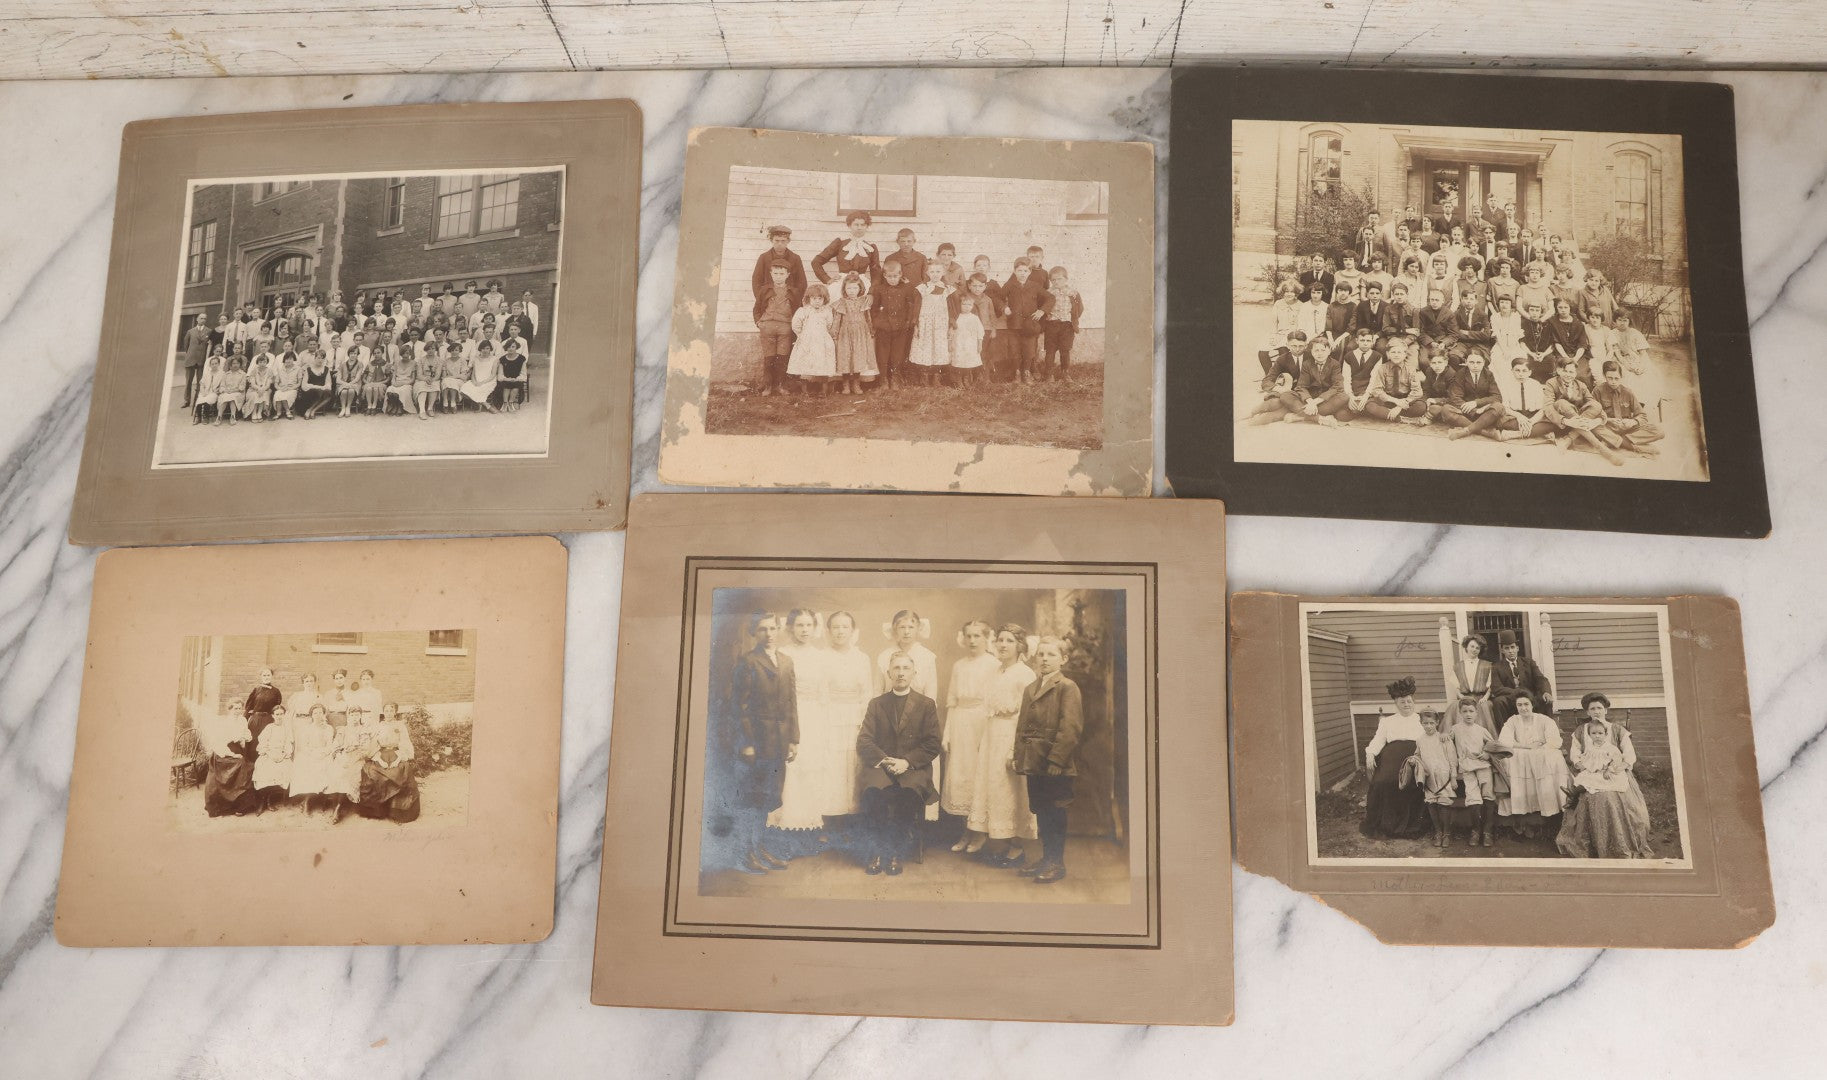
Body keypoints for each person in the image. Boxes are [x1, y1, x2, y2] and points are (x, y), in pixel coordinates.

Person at [856, 651, 942, 876]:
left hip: (912, 768)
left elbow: (933, 744)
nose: (901, 673)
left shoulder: (926, 704)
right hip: (882, 765)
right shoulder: (877, 704)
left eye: (906, 668)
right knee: (873, 790)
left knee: (908, 792)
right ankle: (877, 850)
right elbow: (864, 740)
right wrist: (884, 760)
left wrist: (906, 762)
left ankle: (895, 851)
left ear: (914, 673)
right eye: (896, 668)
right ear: (889, 673)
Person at [730, 613, 799, 874]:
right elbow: (739, 707)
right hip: (757, 744)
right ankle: (747, 852)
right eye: (762, 629)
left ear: (779, 630)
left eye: (772, 628)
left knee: (769, 798)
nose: (769, 634)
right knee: (753, 798)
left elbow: (792, 703)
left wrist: (793, 740)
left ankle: (759, 848)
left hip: (779, 743)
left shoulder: (786, 661)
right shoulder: (747, 662)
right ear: (753, 633)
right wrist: (747, 743)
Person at [1010, 636, 1082, 884]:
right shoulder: (1031, 687)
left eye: (1051, 655)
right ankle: (1045, 858)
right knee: (1040, 809)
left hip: (1054, 764)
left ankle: (1056, 862)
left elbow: (1070, 728)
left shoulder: (1067, 687)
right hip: (1034, 761)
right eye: (1041, 654)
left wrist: (1057, 761)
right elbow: (1022, 727)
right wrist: (1019, 756)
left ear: (1063, 659)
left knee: (1055, 810)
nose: (1044, 659)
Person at [968, 624, 1040, 868]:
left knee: (1013, 788)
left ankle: (1018, 846)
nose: (1002, 645)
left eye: (1009, 641)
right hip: (992, 734)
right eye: (1000, 640)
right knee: (995, 788)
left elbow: (1028, 715)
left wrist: (1016, 749)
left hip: (1012, 735)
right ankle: (1002, 842)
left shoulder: (1025, 674)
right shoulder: (996, 671)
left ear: (1020, 645)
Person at [1556, 693, 1654, 858]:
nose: (1596, 711)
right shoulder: (1581, 731)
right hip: (1590, 771)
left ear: (1606, 710)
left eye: (1599, 708)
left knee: (1611, 798)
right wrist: (1581, 764)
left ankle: (1621, 841)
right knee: (1591, 797)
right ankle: (1592, 843)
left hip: (1615, 772)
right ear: (1587, 712)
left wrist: (1616, 768)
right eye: (1592, 708)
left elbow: (1629, 756)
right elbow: (1575, 754)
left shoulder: (1617, 730)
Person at [770, 610, 833, 848]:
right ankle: (786, 827)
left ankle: (810, 826)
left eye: (808, 625)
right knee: (791, 770)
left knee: (812, 770)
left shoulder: (821, 656)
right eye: (799, 625)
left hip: (814, 718)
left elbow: (824, 693)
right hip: (789, 717)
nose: (804, 630)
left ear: (814, 627)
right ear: (790, 628)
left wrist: (824, 723)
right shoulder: (782, 654)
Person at [941, 621, 1001, 853]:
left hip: (982, 722)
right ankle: (965, 831)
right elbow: (952, 700)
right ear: (963, 639)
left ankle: (980, 832)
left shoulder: (994, 664)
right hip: (960, 723)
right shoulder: (959, 666)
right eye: (969, 636)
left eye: (978, 636)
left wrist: (988, 732)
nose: (973, 641)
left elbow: (995, 699)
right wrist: (948, 733)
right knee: (960, 775)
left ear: (987, 638)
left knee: (979, 776)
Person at [1359, 676, 1430, 839]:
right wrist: (1370, 753)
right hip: (1390, 756)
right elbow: (1378, 740)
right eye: (1402, 702)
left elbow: (1430, 740)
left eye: (1409, 701)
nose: (1406, 705)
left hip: (1414, 757)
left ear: (1414, 702)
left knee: (1409, 783)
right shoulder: (1387, 722)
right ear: (1396, 704)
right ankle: (1387, 824)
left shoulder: (1422, 720)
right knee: (1383, 781)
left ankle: (1409, 825)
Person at [1494, 693, 1569, 837]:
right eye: (1519, 705)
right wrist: (1527, 746)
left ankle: (1552, 813)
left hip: (1541, 753)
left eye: (1526, 704)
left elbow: (1554, 741)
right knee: (1512, 758)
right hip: (1522, 753)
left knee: (1551, 756)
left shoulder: (1543, 720)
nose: (1523, 708)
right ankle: (1521, 815)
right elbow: (1504, 741)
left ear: (1532, 705)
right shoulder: (1513, 721)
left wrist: (1540, 748)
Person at [1544, 356, 1625, 465]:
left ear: (1575, 373)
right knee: (1561, 403)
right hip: (1562, 422)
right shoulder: (1551, 383)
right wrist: (1566, 421)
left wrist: (1598, 420)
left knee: (1596, 405)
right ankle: (1602, 449)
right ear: (1558, 370)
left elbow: (1594, 405)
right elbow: (1548, 407)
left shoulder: (1581, 385)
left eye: (1571, 372)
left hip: (1579, 420)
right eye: (1565, 371)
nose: (1568, 374)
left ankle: (1568, 439)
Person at [1449, 696, 1500, 847]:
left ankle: (1487, 831)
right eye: (1465, 711)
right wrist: (1444, 737)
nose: (1468, 714)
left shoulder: (1481, 730)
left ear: (1476, 713)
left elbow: (1494, 747)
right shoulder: (1455, 729)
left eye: (1471, 711)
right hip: (1467, 768)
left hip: (1483, 766)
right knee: (1472, 798)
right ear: (1460, 713)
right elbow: (1447, 745)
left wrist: (1487, 754)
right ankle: (1475, 830)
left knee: (1488, 796)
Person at [751, 259, 801, 398]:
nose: (778, 276)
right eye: (775, 273)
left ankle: (780, 385)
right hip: (767, 327)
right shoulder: (765, 290)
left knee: (782, 358)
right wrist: (758, 322)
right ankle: (767, 386)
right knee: (769, 357)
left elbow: (798, 311)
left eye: (781, 273)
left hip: (785, 328)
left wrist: (794, 328)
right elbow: (756, 308)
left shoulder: (794, 292)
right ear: (771, 274)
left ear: (787, 275)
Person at [201, 697, 259, 817]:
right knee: (242, 768)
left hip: (239, 750)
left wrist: (244, 738)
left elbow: (247, 733)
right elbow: (219, 743)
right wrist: (232, 754)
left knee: (247, 769)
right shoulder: (224, 723)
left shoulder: (243, 720)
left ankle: (240, 807)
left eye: (240, 708)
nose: (238, 711)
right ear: (230, 709)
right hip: (224, 753)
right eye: (235, 708)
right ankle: (223, 807)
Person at [351, 726, 421, 823]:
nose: (389, 713)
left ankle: (397, 811)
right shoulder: (379, 726)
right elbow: (375, 745)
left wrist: (398, 759)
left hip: (397, 753)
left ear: (394, 712)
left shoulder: (399, 725)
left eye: (391, 710)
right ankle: (378, 811)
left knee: (401, 770)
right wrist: (379, 759)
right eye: (387, 710)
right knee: (371, 771)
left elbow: (403, 744)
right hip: (381, 754)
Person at [1488, 628, 1553, 730]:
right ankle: (1505, 734)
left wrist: (1546, 691)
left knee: (1545, 699)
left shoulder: (1528, 662)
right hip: (1510, 699)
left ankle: (1548, 731)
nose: (1510, 651)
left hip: (1530, 697)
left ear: (1517, 648)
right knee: (1498, 701)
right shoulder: (1496, 667)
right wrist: (1517, 693)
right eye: (1507, 648)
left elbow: (1541, 679)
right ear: (1502, 650)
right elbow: (1496, 688)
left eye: (1513, 647)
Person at [1411, 709, 1459, 848]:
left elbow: (1452, 760)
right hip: (1429, 778)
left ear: (1437, 723)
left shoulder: (1444, 739)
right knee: (1432, 804)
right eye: (1425, 723)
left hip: (1444, 777)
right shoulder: (1420, 740)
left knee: (1444, 804)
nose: (1429, 726)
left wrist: (1454, 777)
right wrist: (1414, 760)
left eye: (1432, 723)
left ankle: (1447, 833)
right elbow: (1417, 755)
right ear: (1421, 724)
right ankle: (1438, 832)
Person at [1594, 361, 1664, 454]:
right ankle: (1632, 446)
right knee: (1595, 429)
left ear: (1621, 377)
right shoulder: (1597, 391)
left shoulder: (1627, 392)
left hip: (1627, 429)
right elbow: (1593, 415)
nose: (1613, 382)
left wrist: (1633, 421)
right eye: (1609, 378)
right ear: (1604, 376)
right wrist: (1609, 420)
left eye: (1616, 378)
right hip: (1608, 427)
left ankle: (1615, 441)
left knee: (1659, 431)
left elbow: (1642, 415)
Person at [870, 260, 918, 389]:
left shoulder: (907, 289)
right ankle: (883, 378)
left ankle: (895, 377)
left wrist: (907, 323)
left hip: (901, 327)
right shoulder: (879, 289)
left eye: (895, 276)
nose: (892, 279)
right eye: (889, 276)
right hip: (884, 327)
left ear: (900, 274)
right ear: (884, 275)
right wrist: (877, 323)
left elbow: (910, 306)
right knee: (882, 353)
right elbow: (874, 309)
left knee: (898, 353)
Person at [830, 273, 878, 395]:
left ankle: (856, 384)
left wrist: (871, 331)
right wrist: (834, 334)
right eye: (849, 288)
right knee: (846, 358)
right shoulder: (841, 303)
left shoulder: (863, 302)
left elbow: (868, 317)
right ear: (844, 289)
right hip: (845, 333)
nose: (852, 291)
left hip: (860, 333)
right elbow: (837, 319)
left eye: (855, 288)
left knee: (858, 357)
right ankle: (845, 385)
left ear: (860, 288)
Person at [1001, 258, 1048, 384]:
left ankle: (1026, 373)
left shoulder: (1035, 286)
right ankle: (1017, 372)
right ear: (1015, 271)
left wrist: (1042, 311)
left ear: (1030, 272)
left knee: (1029, 350)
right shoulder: (1010, 285)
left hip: (1029, 325)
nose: (1022, 273)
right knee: (1014, 349)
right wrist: (1004, 307)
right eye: (1019, 270)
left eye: (1025, 271)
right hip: (1014, 324)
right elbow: (997, 297)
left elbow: (1050, 298)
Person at [906, 263, 953, 386]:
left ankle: (936, 376)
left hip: (940, 325)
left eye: (938, 272)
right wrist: (915, 325)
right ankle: (924, 376)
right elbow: (916, 308)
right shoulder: (922, 288)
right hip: (925, 324)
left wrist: (951, 326)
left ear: (943, 273)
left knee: (938, 348)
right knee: (925, 348)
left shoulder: (948, 289)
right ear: (927, 273)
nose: (935, 275)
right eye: (932, 272)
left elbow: (951, 309)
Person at [788, 283, 839, 396]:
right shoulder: (803, 311)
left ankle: (823, 389)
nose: (817, 301)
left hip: (822, 340)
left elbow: (829, 324)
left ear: (824, 299)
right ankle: (805, 389)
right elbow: (795, 324)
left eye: (820, 298)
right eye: (814, 298)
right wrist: (801, 335)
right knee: (806, 362)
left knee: (823, 362)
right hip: (807, 340)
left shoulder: (827, 311)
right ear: (808, 298)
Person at [288, 703, 339, 816]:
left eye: (320, 712)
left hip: (324, 753)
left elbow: (330, 745)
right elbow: (304, 746)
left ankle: (320, 799)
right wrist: (313, 753)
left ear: (323, 714)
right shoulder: (307, 728)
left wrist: (324, 753)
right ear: (311, 715)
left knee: (329, 767)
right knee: (307, 767)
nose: (318, 715)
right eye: (315, 713)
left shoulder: (329, 728)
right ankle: (307, 802)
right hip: (310, 754)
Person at [813, 211, 881, 293]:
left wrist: (872, 291)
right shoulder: (840, 243)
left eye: (863, 225)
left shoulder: (871, 247)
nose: (859, 228)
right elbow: (816, 262)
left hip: (862, 284)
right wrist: (827, 279)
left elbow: (876, 273)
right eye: (856, 224)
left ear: (867, 226)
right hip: (841, 284)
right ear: (849, 226)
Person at [876, 610, 938, 700]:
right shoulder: (884, 656)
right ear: (895, 629)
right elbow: (877, 690)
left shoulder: (927, 656)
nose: (906, 632)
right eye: (902, 627)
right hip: (889, 708)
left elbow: (931, 692)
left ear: (918, 629)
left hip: (918, 708)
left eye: (911, 627)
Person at [1443, 350, 1504, 440]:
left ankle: (1466, 430)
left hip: (1484, 412)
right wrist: (1473, 410)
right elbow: (1455, 397)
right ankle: (1486, 432)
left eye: (1478, 362)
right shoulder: (1461, 373)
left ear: (1483, 362)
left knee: (1498, 406)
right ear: (1466, 362)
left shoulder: (1488, 374)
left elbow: (1497, 397)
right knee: (1446, 409)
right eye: (1471, 362)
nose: (1475, 365)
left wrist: (1476, 403)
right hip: (1466, 411)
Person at [1495, 355, 1557, 444]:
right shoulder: (1505, 384)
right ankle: (1538, 432)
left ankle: (1515, 434)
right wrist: (1519, 416)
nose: (1521, 374)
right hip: (1514, 416)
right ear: (1512, 371)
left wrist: (1530, 423)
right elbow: (1505, 407)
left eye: (1524, 371)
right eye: (1517, 370)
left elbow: (1543, 409)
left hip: (1533, 416)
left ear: (1530, 372)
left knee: (1554, 424)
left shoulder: (1535, 384)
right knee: (1503, 423)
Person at [1040, 266, 1083, 381]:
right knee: (1050, 350)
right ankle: (1049, 374)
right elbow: (1043, 308)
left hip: (1067, 326)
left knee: (1065, 350)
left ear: (1066, 279)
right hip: (1051, 325)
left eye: (1059, 279)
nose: (1056, 282)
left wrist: (1073, 319)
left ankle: (1065, 372)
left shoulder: (1073, 293)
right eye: (1053, 280)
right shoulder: (1048, 293)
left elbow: (1079, 308)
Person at [949, 273, 992, 389]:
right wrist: (950, 343)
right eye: (964, 304)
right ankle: (958, 380)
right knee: (958, 361)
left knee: (968, 361)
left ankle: (967, 379)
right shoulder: (957, 317)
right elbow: (952, 331)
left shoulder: (974, 318)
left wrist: (979, 344)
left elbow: (980, 332)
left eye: (969, 305)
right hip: (958, 344)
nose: (967, 307)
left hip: (970, 344)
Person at [251, 703, 294, 811]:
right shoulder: (269, 727)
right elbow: (263, 743)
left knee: (285, 769)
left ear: (284, 715)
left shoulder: (287, 728)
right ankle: (262, 801)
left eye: (281, 714)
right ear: (273, 716)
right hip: (268, 754)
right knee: (263, 768)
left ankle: (270, 800)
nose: (279, 716)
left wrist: (283, 755)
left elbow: (289, 744)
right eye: (277, 714)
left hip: (282, 755)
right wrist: (270, 754)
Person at [461, 340, 501, 413]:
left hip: (489, 381)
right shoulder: (475, 359)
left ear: (490, 349)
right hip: (476, 380)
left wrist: (482, 382)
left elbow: (493, 375)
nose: (485, 350)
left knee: (478, 389)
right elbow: (473, 373)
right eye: (483, 348)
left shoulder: (494, 359)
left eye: (487, 348)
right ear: (480, 349)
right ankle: (487, 405)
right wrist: (474, 381)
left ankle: (478, 404)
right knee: (463, 389)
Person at [181, 318, 212, 408]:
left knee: (200, 381)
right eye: (201, 318)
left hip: (201, 360)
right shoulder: (190, 331)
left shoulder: (209, 331)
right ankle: (187, 400)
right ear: (197, 319)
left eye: (205, 318)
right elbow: (186, 344)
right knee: (188, 381)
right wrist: (190, 353)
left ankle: (198, 400)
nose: (203, 320)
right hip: (190, 359)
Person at [191, 352, 223, 425]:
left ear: (218, 364)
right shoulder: (207, 373)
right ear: (210, 365)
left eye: (216, 363)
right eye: (212, 364)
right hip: (205, 391)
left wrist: (217, 390)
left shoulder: (222, 373)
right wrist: (203, 391)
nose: (214, 365)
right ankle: (198, 417)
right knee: (200, 400)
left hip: (214, 392)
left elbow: (222, 385)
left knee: (207, 401)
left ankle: (206, 417)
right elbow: (202, 383)